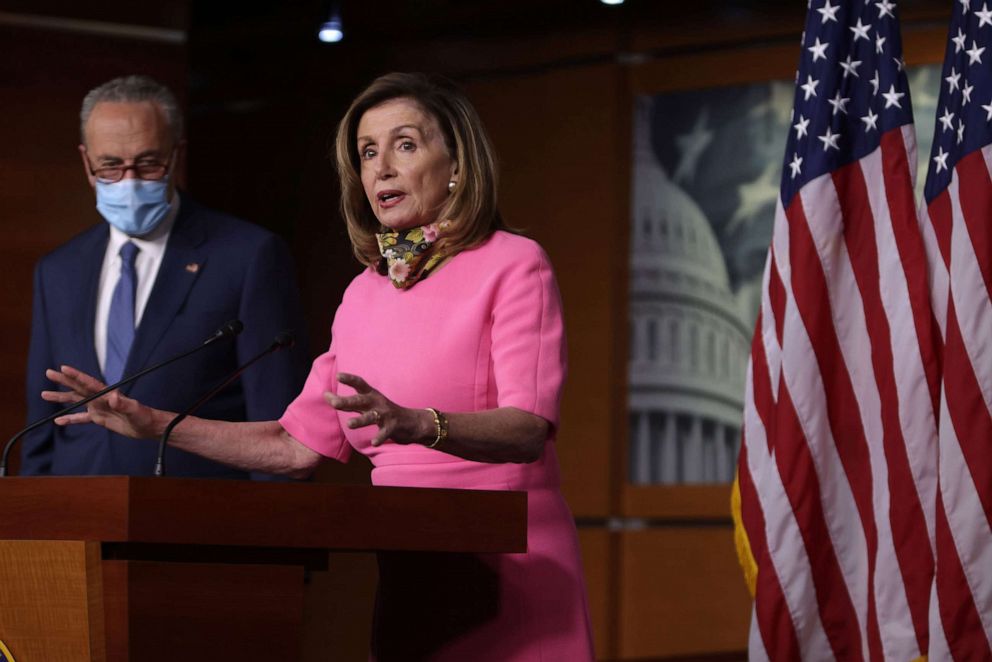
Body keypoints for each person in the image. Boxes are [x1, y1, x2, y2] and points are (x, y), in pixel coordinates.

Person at [44, 72, 595, 660]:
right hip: (412, 564)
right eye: (367, 152)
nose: (381, 167)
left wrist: (418, 424)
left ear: (456, 162)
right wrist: (155, 423)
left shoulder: (513, 263)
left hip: (513, 560)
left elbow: (527, 429)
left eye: (405, 144)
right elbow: (294, 445)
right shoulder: (364, 292)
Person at [22, 74, 309, 478]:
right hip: (76, 517)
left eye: (147, 163)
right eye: (110, 166)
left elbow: (280, 428)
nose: (129, 181)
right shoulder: (58, 270)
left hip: (197, 517)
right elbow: (41, 427)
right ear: (87, 163)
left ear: (177, 156)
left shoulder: (247, 255)